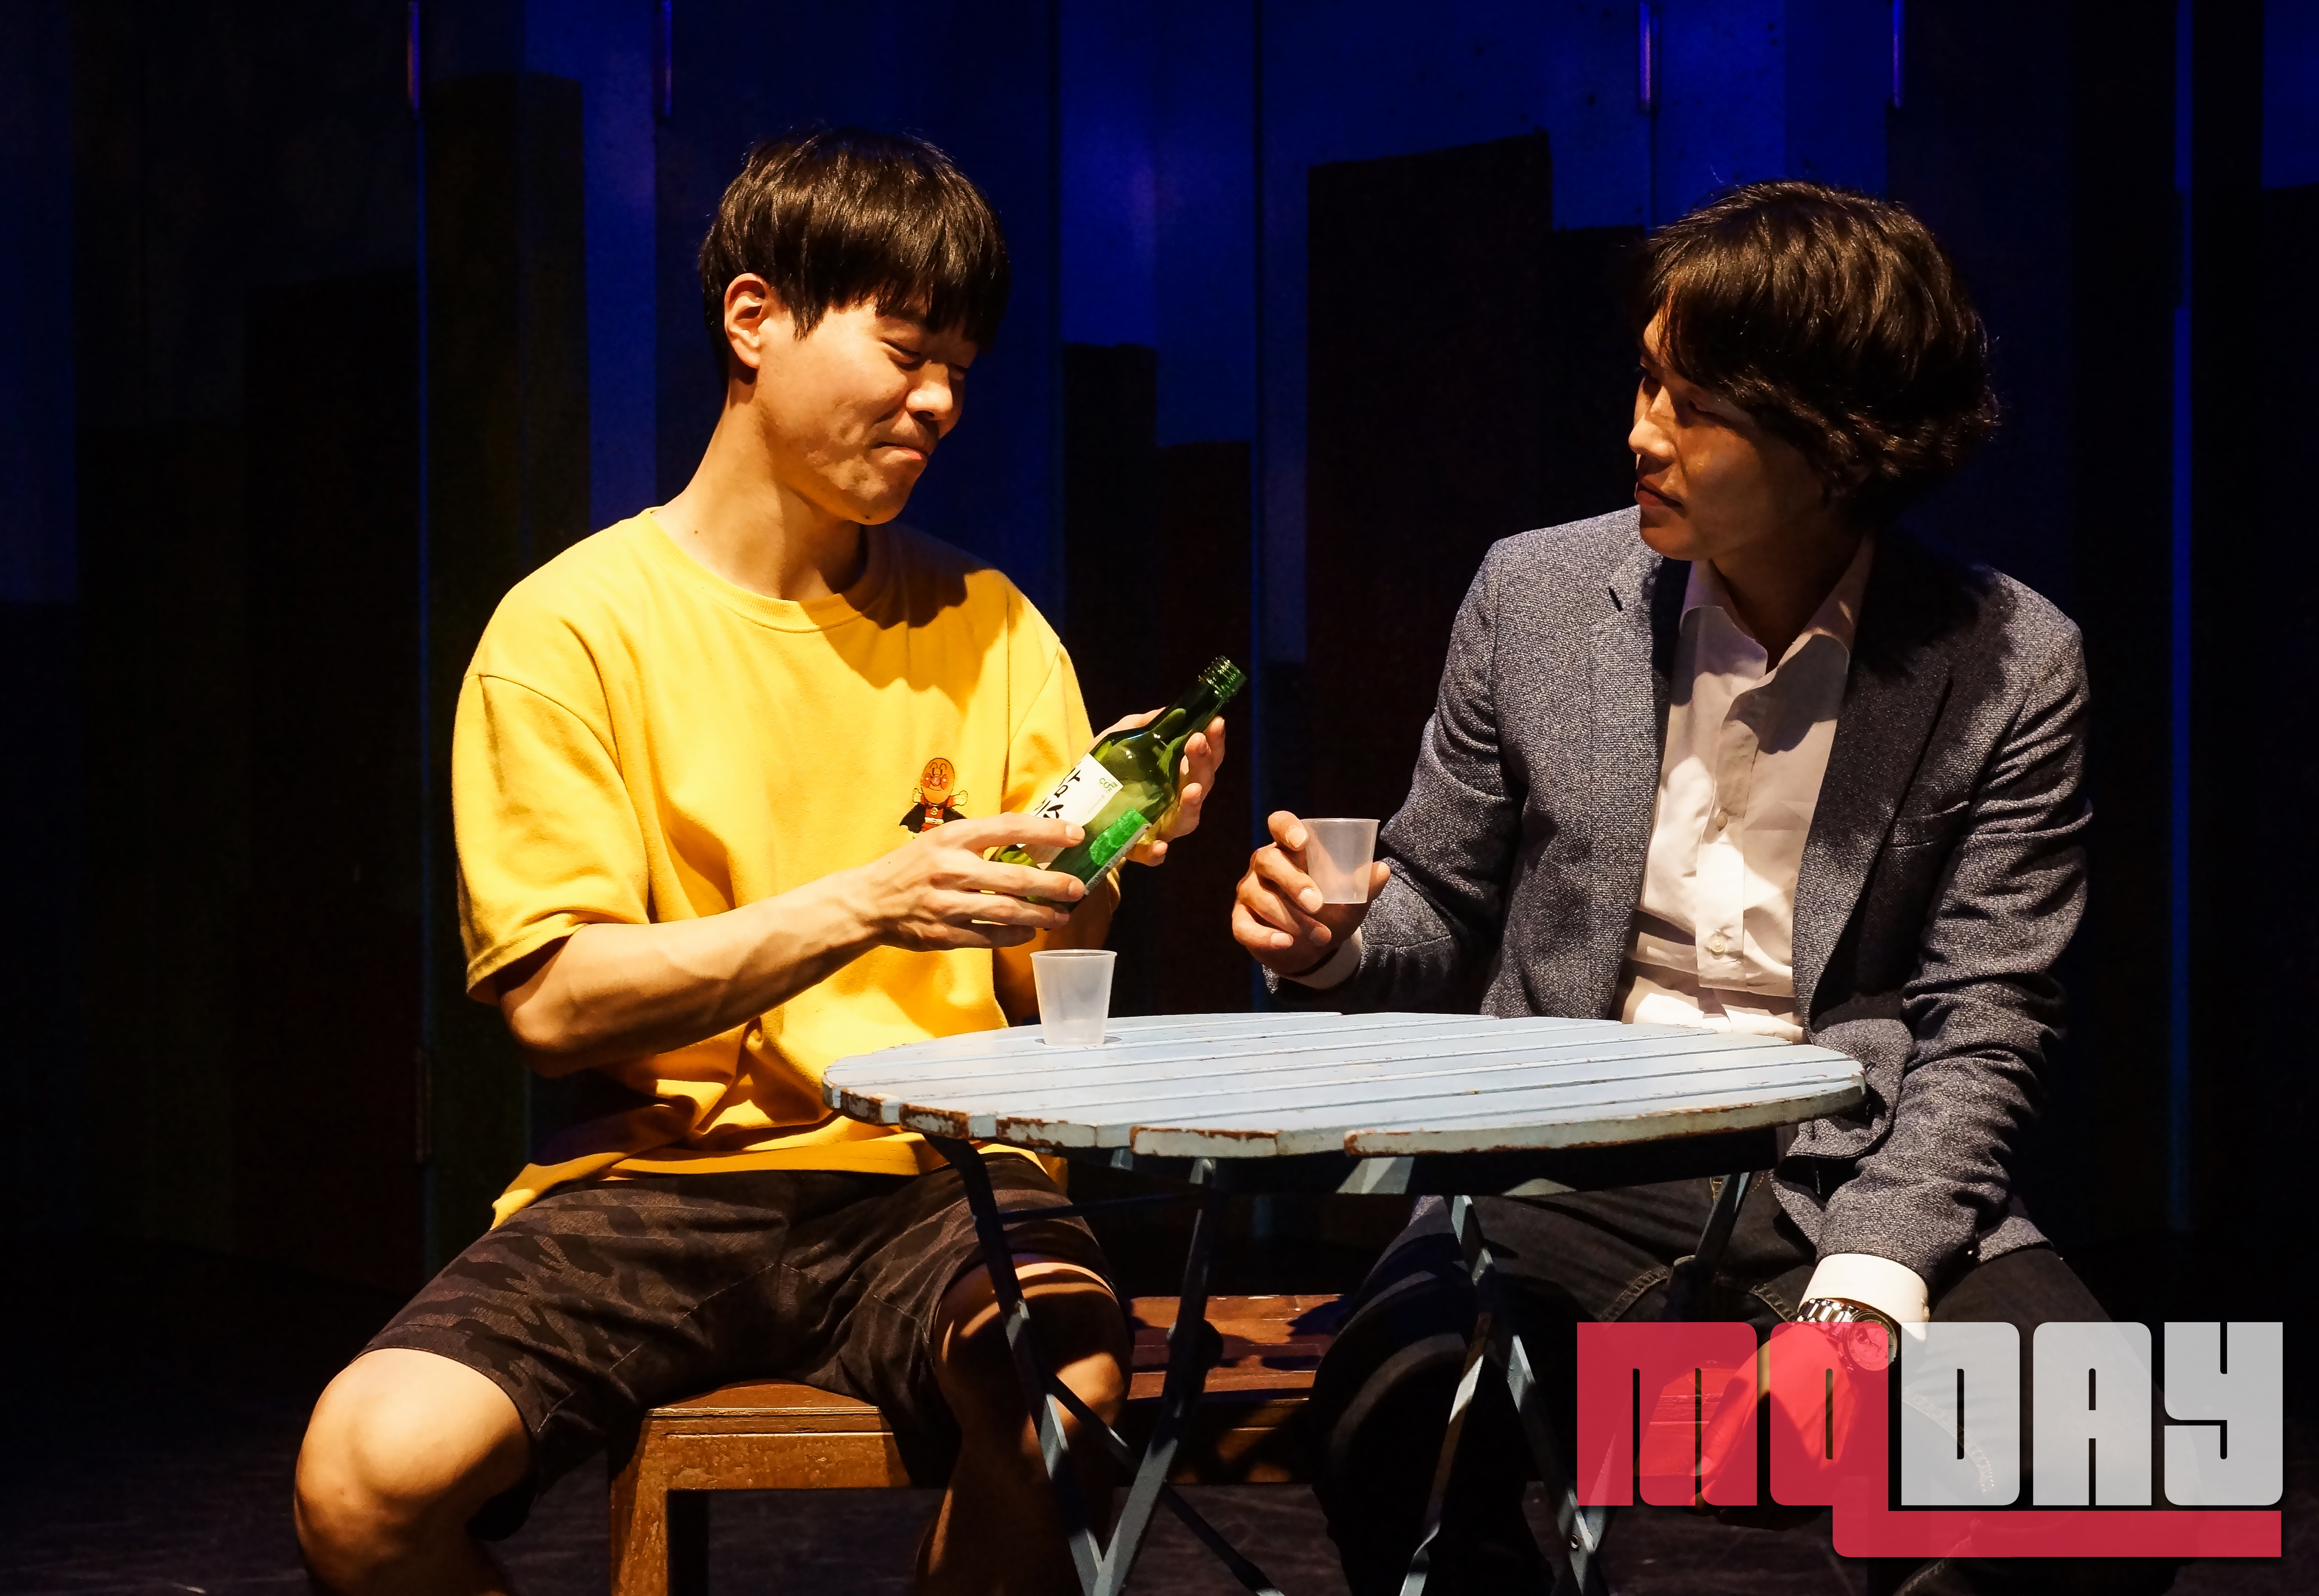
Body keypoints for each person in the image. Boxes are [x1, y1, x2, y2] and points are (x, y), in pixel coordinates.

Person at [294, 128, 1226, 1596]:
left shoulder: (993, 626)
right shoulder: (571, 630)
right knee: (363, 1476)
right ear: (753, 318)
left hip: (942, 1174)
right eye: (905, 350)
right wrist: (867, 900)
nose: (939, 400)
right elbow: (555, 1001)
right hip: (656, 1182)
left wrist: (1102, 844)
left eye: (960, 369)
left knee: (1062, 1387)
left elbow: (1038, 983)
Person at [1233, 181, 2170, 1596]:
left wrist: (1860, 1304)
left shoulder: (2006, 659)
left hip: (1847, 1167)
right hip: (1565, 1157)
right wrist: (1331, 940)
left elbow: (1986, 1025)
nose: (1641, 432)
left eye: (1695, 406)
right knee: (1390, 1405)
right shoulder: (1535, 597)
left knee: (2110, 1475)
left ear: (1837, 440)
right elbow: (1435, 899)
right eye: (1644, 382)